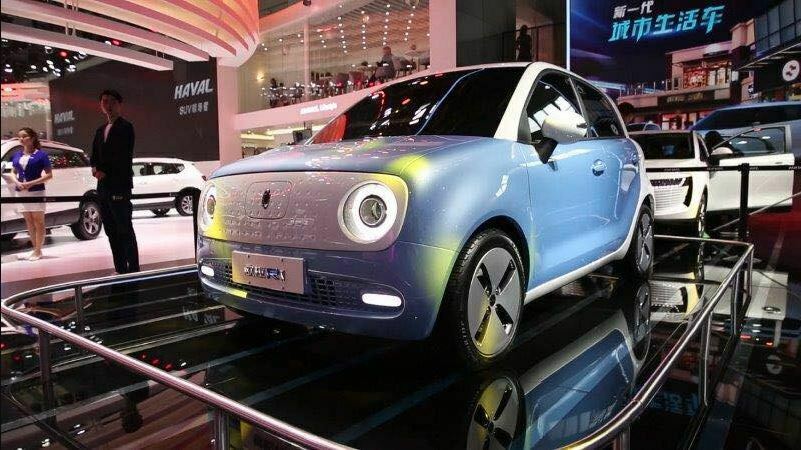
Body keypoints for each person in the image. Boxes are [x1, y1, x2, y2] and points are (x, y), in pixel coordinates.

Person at [91, 89, 139, 274]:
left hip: (119, 186)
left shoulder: (126, 127)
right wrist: (95, 169)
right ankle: (120, 269)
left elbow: (122, 156)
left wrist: (105, 171)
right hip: (103, 187)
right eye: (104, 101)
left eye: (112, 101)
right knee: (110, 230)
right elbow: (94, 155)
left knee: (124, 228)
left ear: (119, 104)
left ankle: (133, 270)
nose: (108, 105)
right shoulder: (100, 130)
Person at [9, 127, 53, 261]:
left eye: (24, 136)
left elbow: (49, 175)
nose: (21, 139)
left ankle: (38, 250)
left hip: (36, 191)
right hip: (21, 192)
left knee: (38, 222)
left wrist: (31, 183)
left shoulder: (41, 155)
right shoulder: (17, 155)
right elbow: (13, 172)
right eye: (19, 137)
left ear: (32, 138)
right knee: (29, 221)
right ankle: (35, 249)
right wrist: (17, 182)